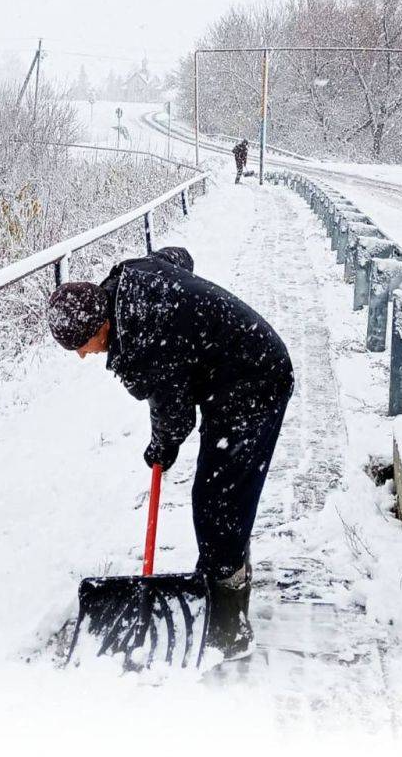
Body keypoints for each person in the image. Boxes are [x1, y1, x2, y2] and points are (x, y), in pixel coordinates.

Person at [47, 246, 293, 659]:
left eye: (84, 345)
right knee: (218, 495)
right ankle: (219, 569)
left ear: (101, 324)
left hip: (254, 380)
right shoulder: (129, 276)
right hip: (231, 374)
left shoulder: (144, 343)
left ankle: (230, 625)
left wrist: (161, 446)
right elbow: (179, 257)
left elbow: (175, 417)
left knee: (219, 502)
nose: (83, 355)